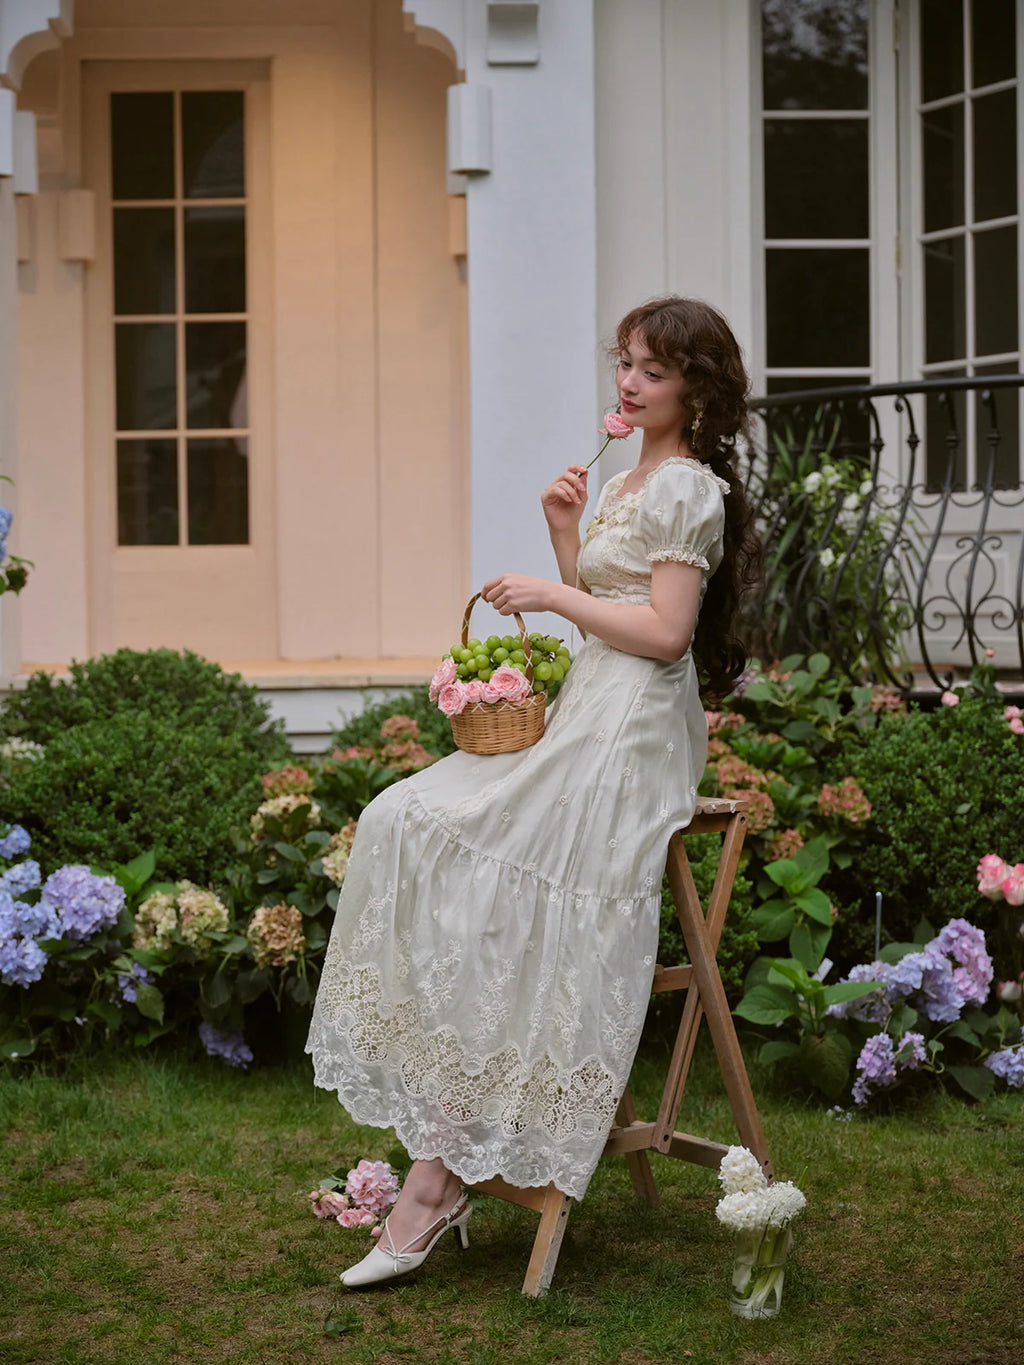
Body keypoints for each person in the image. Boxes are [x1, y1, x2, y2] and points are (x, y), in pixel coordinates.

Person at [306, 295, 761, 1288]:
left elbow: (667, 634)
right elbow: (609, 616)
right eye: (624, 364)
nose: (628, 382)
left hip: (635, 729)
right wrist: (565, 535)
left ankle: (434, 1186)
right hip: (592, 702)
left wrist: (554, 590)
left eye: (650, 369)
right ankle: (442, 1159)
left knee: (503, 885)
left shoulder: (688, 488)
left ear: (694, 385)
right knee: (405, 817)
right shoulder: (625, 478)